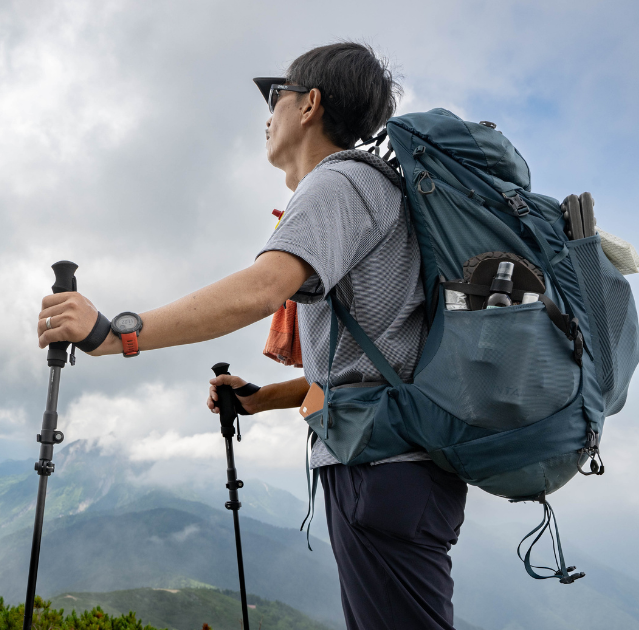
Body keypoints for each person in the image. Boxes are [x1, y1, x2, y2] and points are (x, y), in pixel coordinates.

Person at [36, 42, 467, 630]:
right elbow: (375, 367)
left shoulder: (338, 183)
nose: (268, 114)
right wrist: (263, 398)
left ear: (310, 104)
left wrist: (115, 334)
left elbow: (263, 288)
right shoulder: (380, 193)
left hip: (380, 472)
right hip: (396, 473)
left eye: (276, 96)